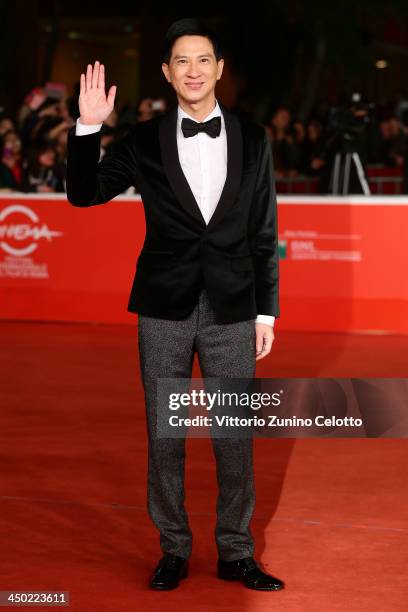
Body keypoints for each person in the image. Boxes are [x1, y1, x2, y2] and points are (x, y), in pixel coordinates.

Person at [66, 18, 283, 592]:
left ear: (218, 68)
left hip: (234, 308)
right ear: (167, 72)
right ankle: (174, 549)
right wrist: (88, 128)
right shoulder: (142, 140)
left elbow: (264, 232)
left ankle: (237, 551)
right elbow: (84, 194)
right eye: (182, 61)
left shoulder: (255, 139)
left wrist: (266, 312)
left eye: (203, 59)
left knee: (234, 435)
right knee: (166, 436)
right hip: (164, 306)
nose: (193, 70)